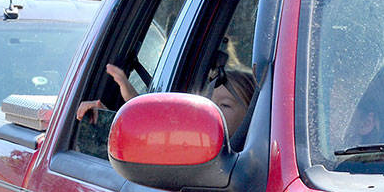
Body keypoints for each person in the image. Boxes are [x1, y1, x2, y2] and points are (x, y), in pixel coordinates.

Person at [77, 62, 257, 139]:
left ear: (252, 118)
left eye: (224, 105)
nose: (209, 109)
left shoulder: (243, 165)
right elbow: (158, 132)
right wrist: (106, 119)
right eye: (206, 101)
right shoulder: (189, 139)